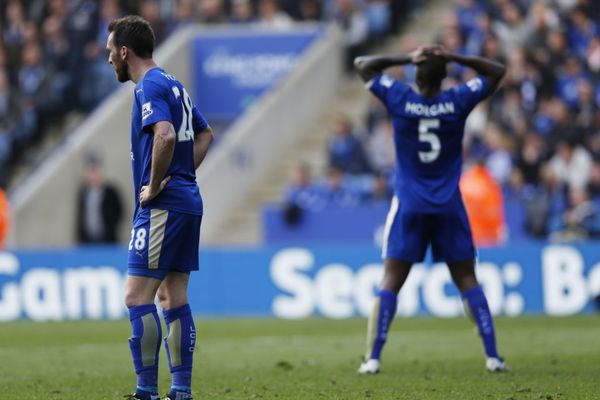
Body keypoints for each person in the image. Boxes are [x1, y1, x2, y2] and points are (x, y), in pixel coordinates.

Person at [354, 44, 509, 374]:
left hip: (409, 204)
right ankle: (493, 356)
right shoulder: (457, 101)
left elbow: (363, 63)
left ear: (417, 74)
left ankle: (373, 359)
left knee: (391, 280)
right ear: (444, 77)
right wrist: (455, 57)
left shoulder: (400, 98)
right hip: (449, 205)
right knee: (467, 278)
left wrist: (405, 56)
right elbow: (496, 71)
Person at [106, 15, 213, 400]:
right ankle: (180, 391)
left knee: (137, 298)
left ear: (124, 51)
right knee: (173, 297)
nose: (108, 60)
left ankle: (145, 391)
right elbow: (205, 133)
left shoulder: (147, 87)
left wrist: (153, 186)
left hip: (164, 206)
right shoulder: (173, 82)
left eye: (110, 53)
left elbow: (165, 135)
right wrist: (183, 174)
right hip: (187, 201)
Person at [75, 153, 123, 244]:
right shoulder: (83, 192)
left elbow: (119, 212)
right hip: (87, 241)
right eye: (90, 171)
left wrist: (111, 227)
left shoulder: (111, 192)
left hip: (107, 240)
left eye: (95, 171)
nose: (93, 175)